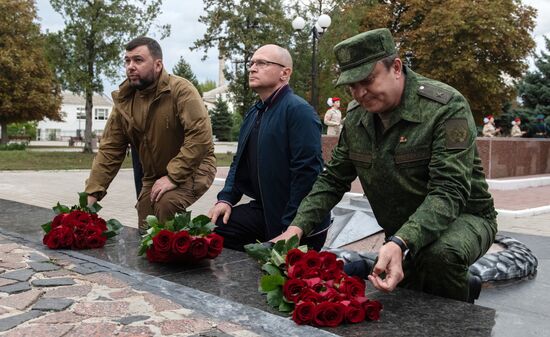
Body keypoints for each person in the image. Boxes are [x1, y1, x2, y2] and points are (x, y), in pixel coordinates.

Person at [273, 28, 497, 303]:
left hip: (466, 216)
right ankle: (462, 283)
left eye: (367, 80)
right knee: (408, 286)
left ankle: (459, 316)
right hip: (404, 226)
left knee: (441, 255)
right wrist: (297, 228)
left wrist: (401, 241)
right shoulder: (357, 118)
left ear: (397, 68)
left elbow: (449, 191)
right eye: (351, 86)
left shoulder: (446, 107)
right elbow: (333, 180)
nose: (360, 93)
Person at [85, 37, 216, 234]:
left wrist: (173, 177)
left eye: (138, 60)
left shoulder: (181, 90)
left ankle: (182, 259)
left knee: (165, 205)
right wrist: (90, 196)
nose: (130, 66)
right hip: (154, 175)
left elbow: (200, 137)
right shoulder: (124, 101)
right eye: (127, 61)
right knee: (146, 224)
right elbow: (110, 150)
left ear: (158, 64)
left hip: (195, 167)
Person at [208, 44, 330, 251]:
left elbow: (307, 175)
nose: (252, 68)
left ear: (285, 73)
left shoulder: (299, 111)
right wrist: (226, 199)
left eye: (262, 63)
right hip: (265, 211)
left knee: (280, 272)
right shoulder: (255, 112)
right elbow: (239, 162)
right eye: (252, 63)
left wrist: (290, 227)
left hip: (297, 220)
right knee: (213, 230)